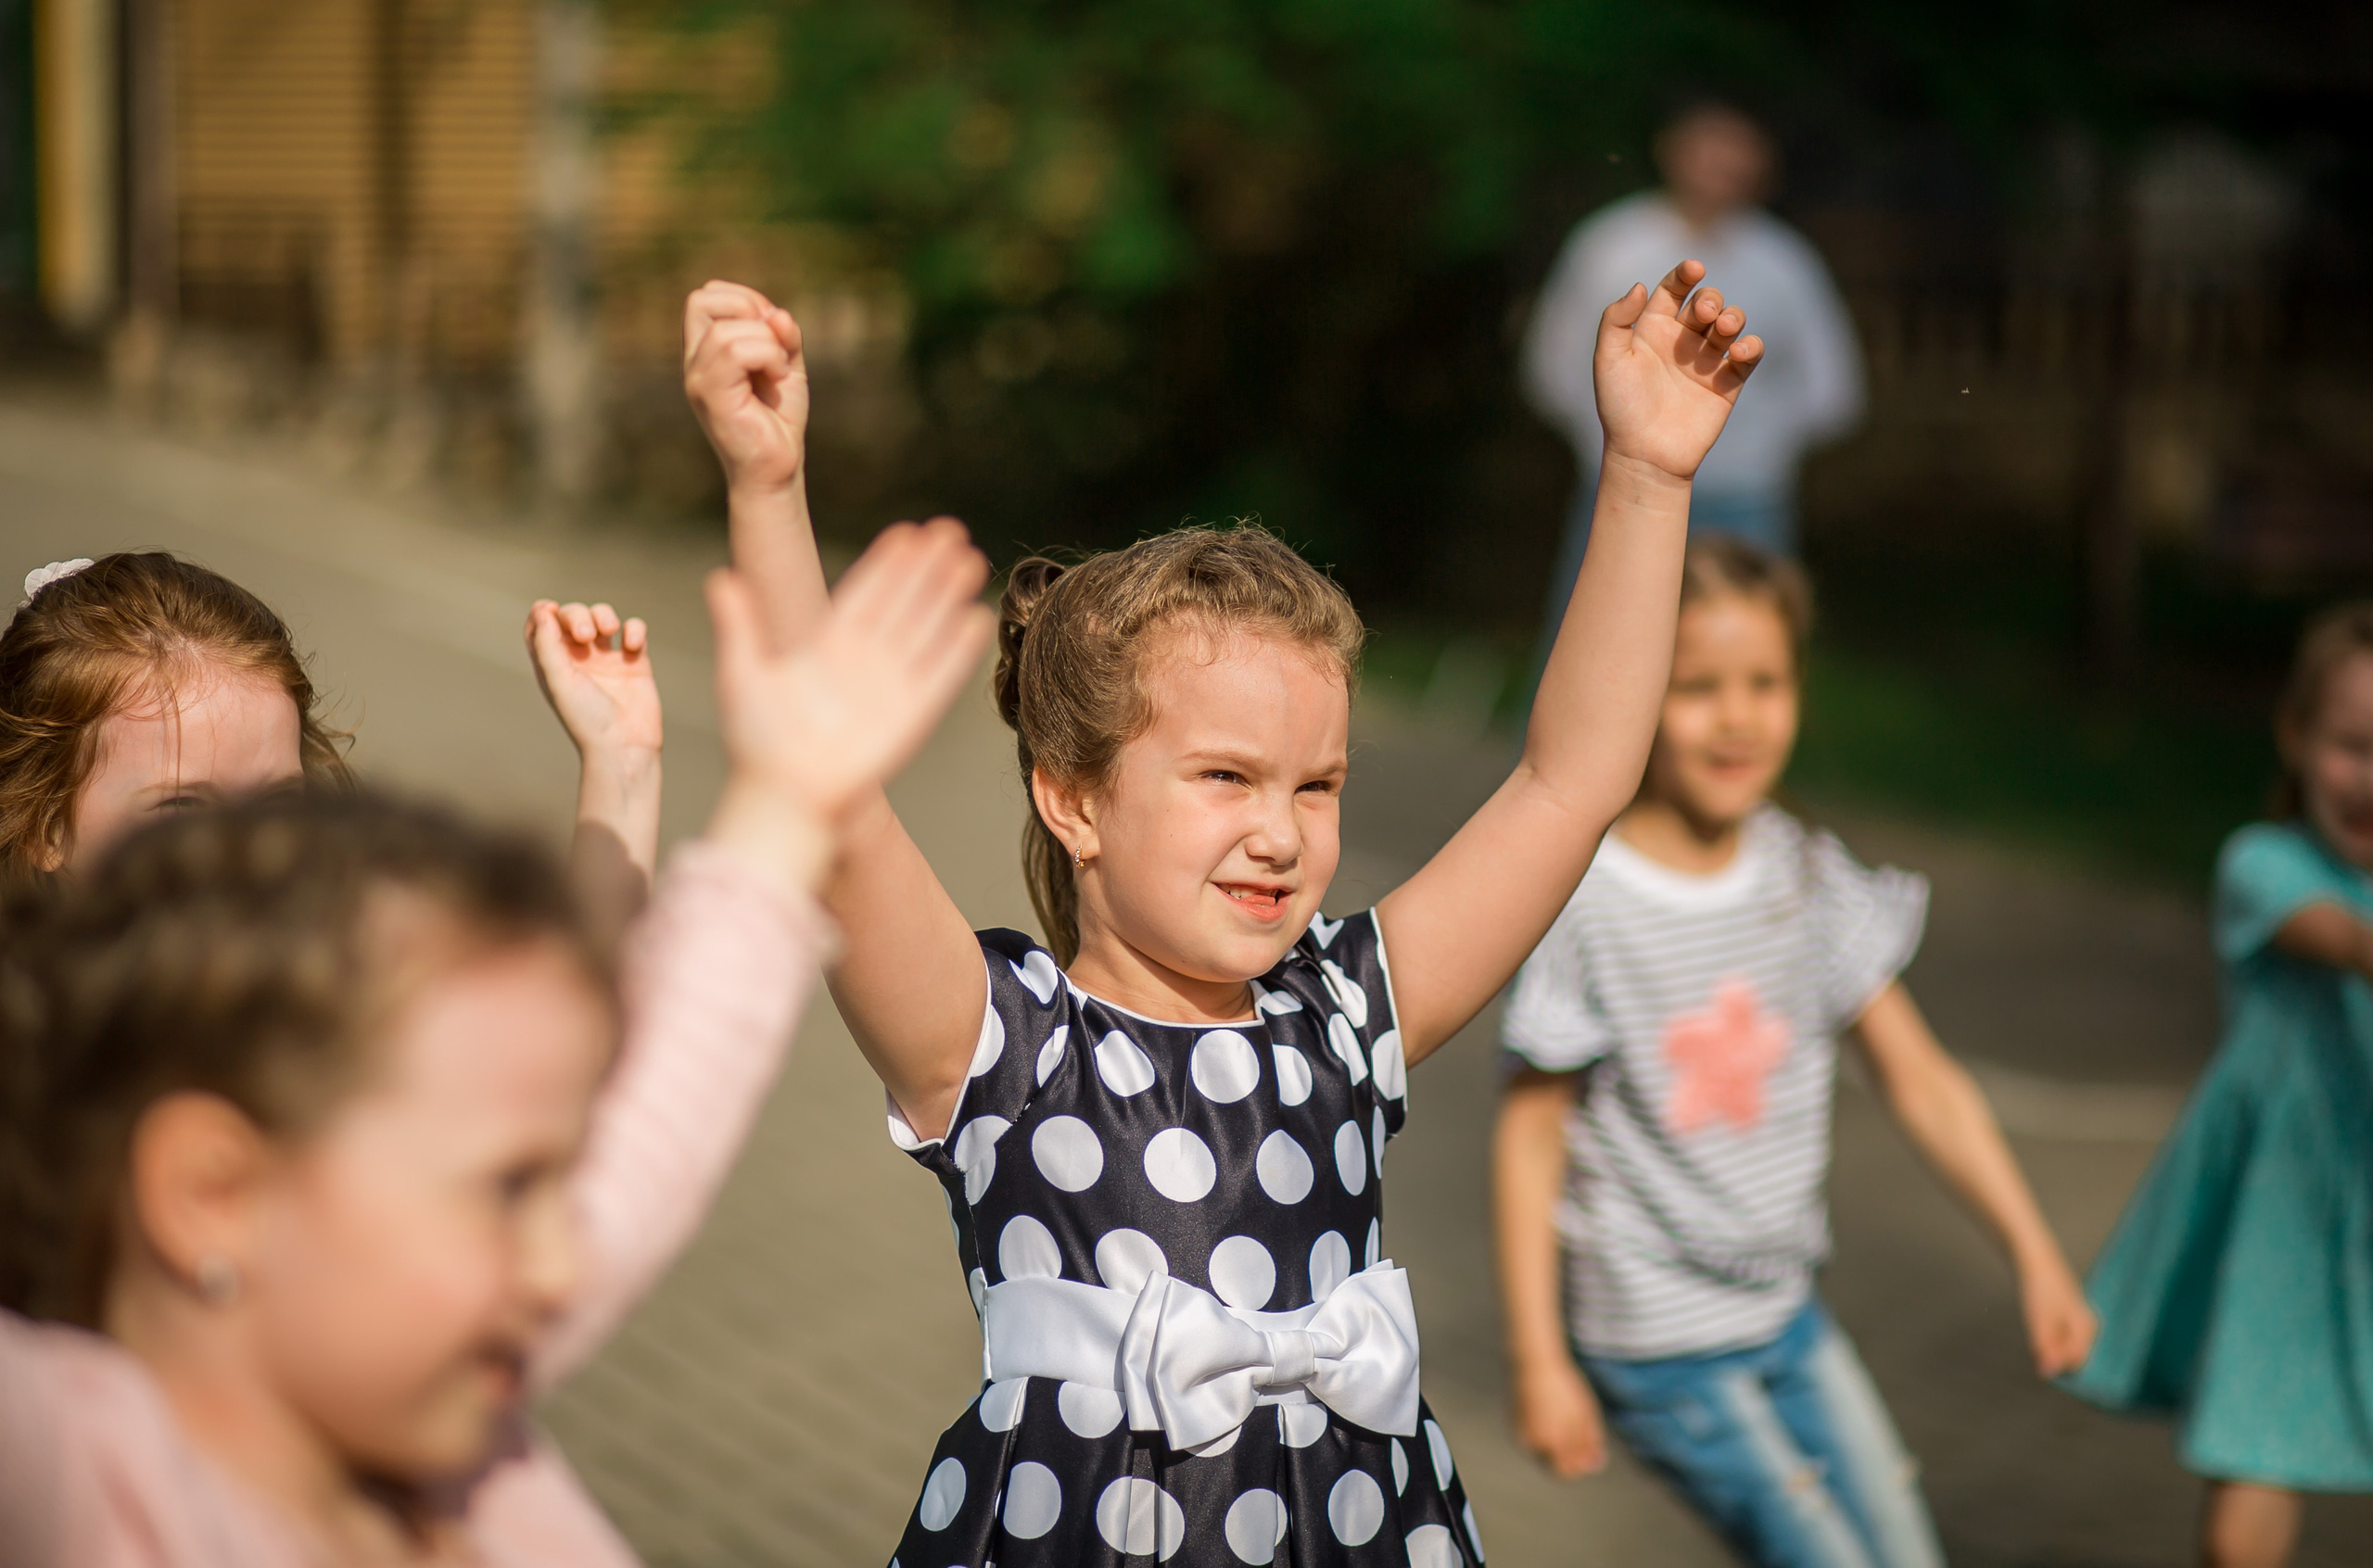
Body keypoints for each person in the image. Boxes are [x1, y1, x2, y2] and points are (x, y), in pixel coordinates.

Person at [681, 257, 1762, 1568]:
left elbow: (1570, 780)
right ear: (1073, 798)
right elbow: (833, 806)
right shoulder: (1005, 1046)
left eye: (1319, 784)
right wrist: (769, 487)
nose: (1281, 828)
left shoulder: (1344, 1013)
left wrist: (1647, 477)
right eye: (1225, 777)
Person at [0, 518, 998, 1566]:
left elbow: (635, 1098)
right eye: (182, 816)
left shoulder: (425, 1381)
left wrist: (762, 800)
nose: (566, 1257)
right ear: (210, 1193)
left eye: (281, 809)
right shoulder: (90, 1470)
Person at [1491, 537, 2096, 1568]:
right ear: (1635, 697)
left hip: (1787, 1318)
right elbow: (1529, 1137)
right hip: (1658, 1344)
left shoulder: (1806, 875)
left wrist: (2035, 1255)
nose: (1737, 717)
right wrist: (1538, 1358)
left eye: (1764, 684)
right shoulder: (1584, 903)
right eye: (1696, 688)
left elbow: (1925, 1082)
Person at [2063, 601, 2373, 1568]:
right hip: (2278, 1223)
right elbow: (2352, 945)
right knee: (2251, 1485)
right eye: (2353, 745)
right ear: (2295, 736)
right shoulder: (2263, 865)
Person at [0, 552, 666, 929]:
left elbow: (571, 1055)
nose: (251, 854)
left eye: (276, 803)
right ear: (45, 824)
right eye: (182, 811)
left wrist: (622, 765)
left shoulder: (334, 1011)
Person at [1522, 101, 1862, 624]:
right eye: (1708, 141)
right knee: (1596, 632)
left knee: (1743, 642)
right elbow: (1551, 365)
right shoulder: (1610, 244)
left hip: (1746, 499)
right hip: (1620, 482)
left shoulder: (1786, 263)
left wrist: (1757, 448)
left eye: (1737, 144)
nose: (1721, 161)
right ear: (1671, 149)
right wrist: (1612, 442)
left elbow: (1833, 390)